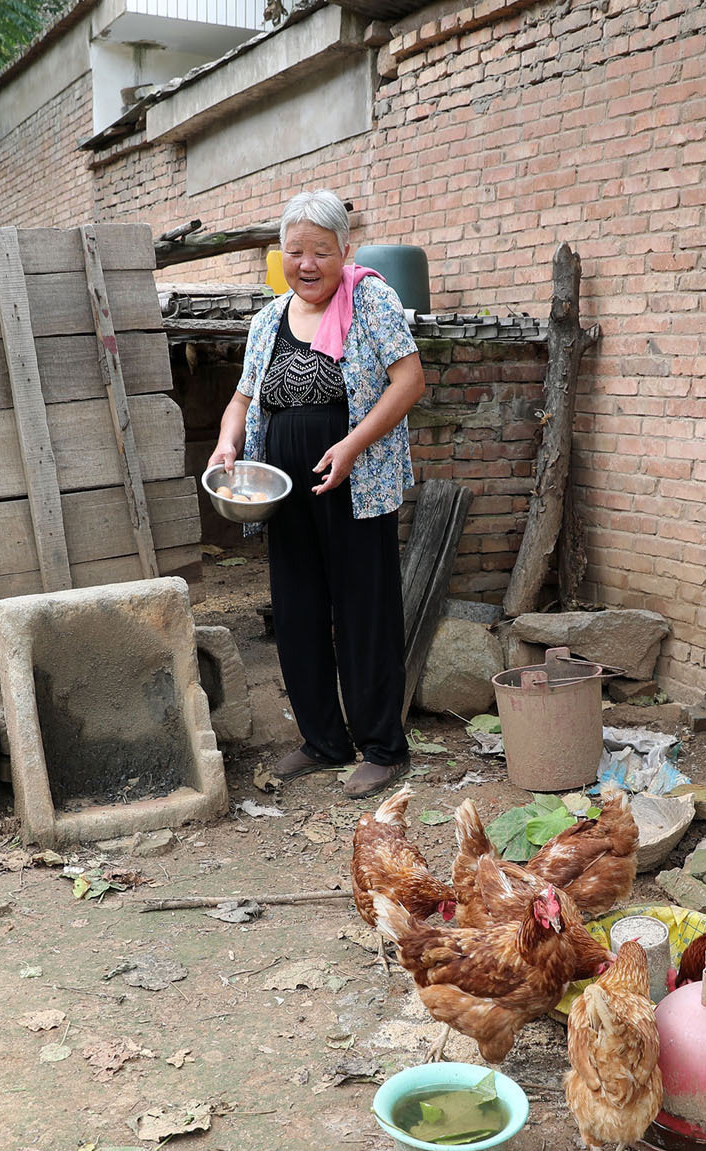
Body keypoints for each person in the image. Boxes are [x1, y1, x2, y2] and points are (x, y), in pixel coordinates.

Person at [208, 189, 426, 800]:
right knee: (298, 610)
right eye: (295, 252)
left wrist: (352, 446)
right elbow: (243, 399)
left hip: (355, 477)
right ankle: (323, 739)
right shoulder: (267, 320)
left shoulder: (372, 299)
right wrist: (228, 444)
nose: (307, 264)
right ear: (281, 256)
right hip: (284, 485)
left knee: (364, 610)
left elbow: (408, 382)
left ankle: (383, 747)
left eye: (321, 252)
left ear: (344, 252)